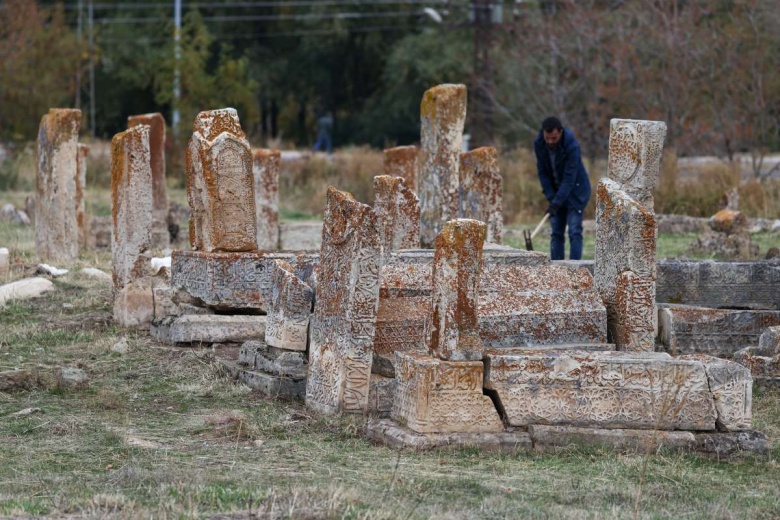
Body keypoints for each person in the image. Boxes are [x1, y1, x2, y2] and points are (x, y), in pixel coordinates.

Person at [534, 116, 591, 260]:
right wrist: (552, 199)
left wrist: (556, 202)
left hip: (576, 192)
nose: (550, 142)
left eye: (553, 138)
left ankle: (575, 271)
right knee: (556, 232)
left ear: (560, 132)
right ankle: (556, 271)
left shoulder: (571, 145)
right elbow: (543, 173)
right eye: (547, 138)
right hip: (556, 191)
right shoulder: (539, 144)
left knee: (574, 231)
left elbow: (569, 178)